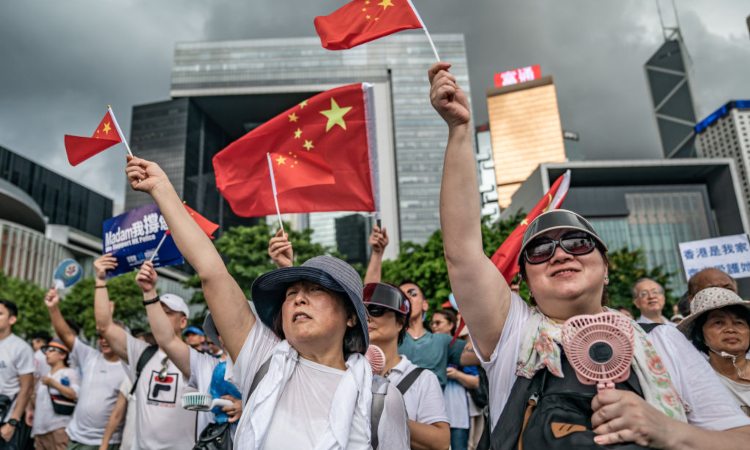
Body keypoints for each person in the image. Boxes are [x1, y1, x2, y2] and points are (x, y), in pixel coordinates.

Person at [431, 59, 750, 448]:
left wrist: (668, 430)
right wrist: (460, 131)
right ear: (526, 283)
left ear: (606, 268)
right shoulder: (513, 333)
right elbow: (463, 251)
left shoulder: (664, 340)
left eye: (577, 243)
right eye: (541, 249)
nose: (560, 253)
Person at [126, 156, 410, 449]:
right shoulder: (262, 360)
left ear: (351, 316)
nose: (299, 298)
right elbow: (211, 271)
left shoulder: (381, 401)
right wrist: (162, 189)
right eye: (290, 294)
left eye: (315, 289)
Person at [92, 254, 197, 450]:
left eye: (167, 313)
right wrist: (100, 280)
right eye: (157, 311)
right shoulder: (142, 354)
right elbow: (104, 326)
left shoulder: (197, 361)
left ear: (183, 322)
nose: (159, 316)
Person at [134, 261, 242, 443]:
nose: (226, 332)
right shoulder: (206, 366)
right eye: (220, 329)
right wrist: (149, 292)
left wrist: (245, 407)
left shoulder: (268, 367)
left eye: (233, 326)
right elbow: (167, 339)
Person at [363, 227, 468, 388]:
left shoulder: (442, 341)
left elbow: (483, 355)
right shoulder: (388, 335)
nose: (406, 298)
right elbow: (370, 298)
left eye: (412, 294)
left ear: (425, 304)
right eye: (401, 296)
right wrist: (377, 254)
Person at [365, 282, 450, 450]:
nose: (367, 317)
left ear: (400, 322)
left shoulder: (423, 379)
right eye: (361, 311)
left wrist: (382, 413)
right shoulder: (346, 370)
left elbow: (441, 442)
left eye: (376, 310)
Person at [43, 288, 127, 450]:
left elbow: (119, 413)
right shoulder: (89, 356)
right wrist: (53, 308)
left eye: (109, 336)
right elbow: (66, 334)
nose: (104, 340)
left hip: (104, 443)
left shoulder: (128, 367)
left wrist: (104, 444)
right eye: (101, 337)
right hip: (75, 437)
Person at [678, 288, 750, 416]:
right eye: (718, 323)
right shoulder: (694, 383)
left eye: (739, 323)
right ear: (700, 335)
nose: (730, 329)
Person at [430, 309, 479, 450]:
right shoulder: (427, 347)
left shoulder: (459, 348)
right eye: (432, 323)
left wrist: (457, 374)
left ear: (451, 325)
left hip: (457, 414)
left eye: (438, 322)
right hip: (432, 414)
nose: (434, 326)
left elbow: (476, 381)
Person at [30, 338, 79, 450]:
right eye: (47, 350)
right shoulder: (45, 376)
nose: (47, 353)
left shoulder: (69, 373)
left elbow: (74, 394)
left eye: (52, 350)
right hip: (40, 429)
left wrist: (53, 383)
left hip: (59, 428)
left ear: (62, 355)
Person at [0, 299, 34, 450]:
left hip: (6, 419)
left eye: (0, 314)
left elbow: (27, 388)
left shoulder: (21, 348)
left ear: (12, 319)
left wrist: (12, 422)